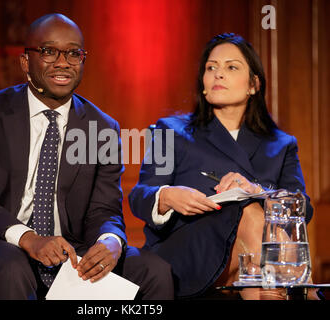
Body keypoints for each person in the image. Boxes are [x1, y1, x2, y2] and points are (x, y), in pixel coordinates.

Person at [0, 13, 174, 300]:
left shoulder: (102, 127)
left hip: (68, 252)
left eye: (73, 53)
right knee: (12, 266)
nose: (63, 62)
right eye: (48, 51)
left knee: (154, 270)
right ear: (25, 61)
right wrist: (29, 238)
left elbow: (104, 210)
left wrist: (111, 240)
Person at [128, 33, 316, 300]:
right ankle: (304, 289)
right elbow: (139, 195)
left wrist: (256, 190)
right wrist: (167, 196)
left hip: (254, 252)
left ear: (253, 85)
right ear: (203, 83)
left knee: (254, 243)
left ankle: (268, 281)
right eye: (211, 67)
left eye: (231, 67)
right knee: (250, 215)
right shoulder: (170, 130)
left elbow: (303, 209)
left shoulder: (281, 144)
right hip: (186, 249)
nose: (218, 74)